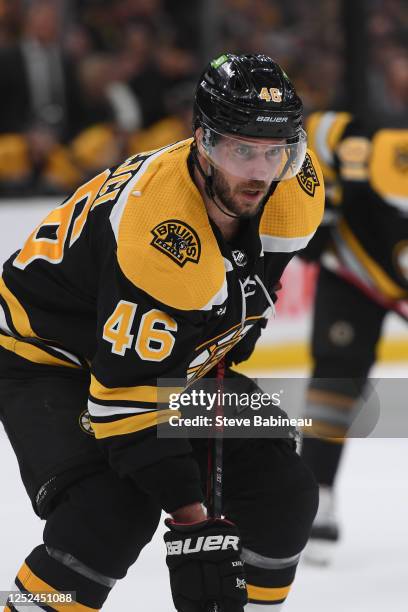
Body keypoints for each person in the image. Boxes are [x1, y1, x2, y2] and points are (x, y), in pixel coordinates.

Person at [0, 53, 323, 611]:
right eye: (239, 149)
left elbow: (237, 303)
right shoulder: (163, 234)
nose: (259, 173)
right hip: (45, 356)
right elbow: (125, 401)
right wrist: (192, 521)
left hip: (156, 352)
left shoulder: (294, 190)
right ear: (201, 142)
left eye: (276, 152)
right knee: (107, 516)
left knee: (282, 492)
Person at [299, 111, 408, 564]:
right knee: (337, 381)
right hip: (354, 269)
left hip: (377, 261)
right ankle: (314, 497)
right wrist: (322, 212)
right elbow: (319, 135)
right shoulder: (359, 139)